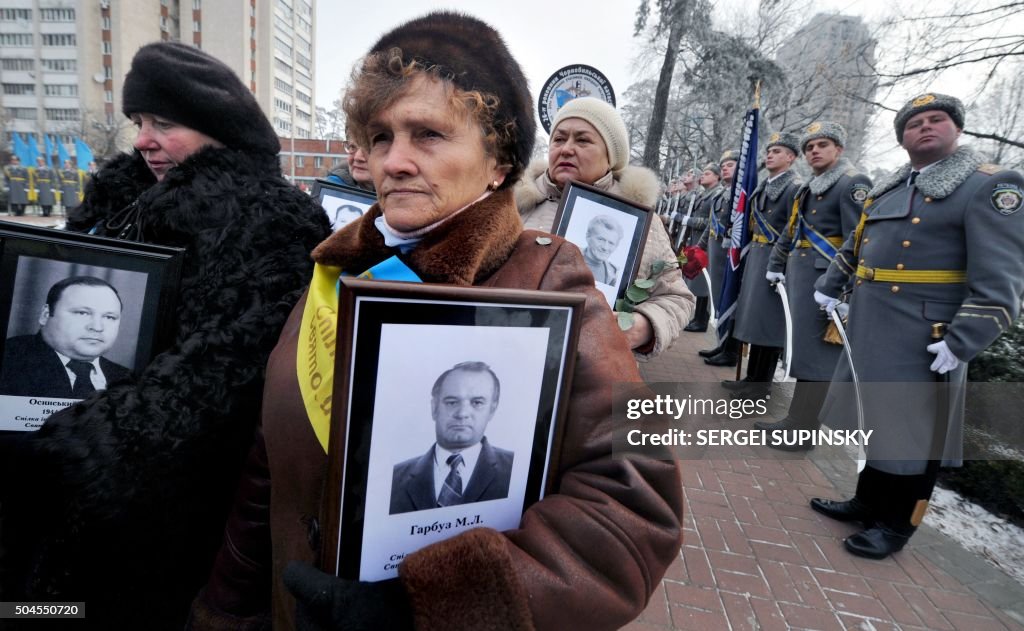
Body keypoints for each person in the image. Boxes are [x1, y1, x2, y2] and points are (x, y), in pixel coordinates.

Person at [191, 12, 683, 631]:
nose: (392, 161)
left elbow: (633, 504)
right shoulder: (336, 270)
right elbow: (272, 463)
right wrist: (226, 608)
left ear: (499, 160)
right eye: (379, 136)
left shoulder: (549, 278)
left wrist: (435, 606)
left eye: (427, 134)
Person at [0, 41, 330, 628]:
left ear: (219, 130)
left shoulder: (276, 219)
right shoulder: (120, 202)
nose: (144, 139)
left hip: (160, 509)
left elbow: (229, 368)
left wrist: (92, 441)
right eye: (138, 123)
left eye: (165, 123)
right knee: (34, 611)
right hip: (56, 481)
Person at [811, 94, 1024, 559]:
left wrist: (963, 340)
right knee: (878, 421)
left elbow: (1002, 282)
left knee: (914, 431)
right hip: (873, 324)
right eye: (914, 123)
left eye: (937, 119)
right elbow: (856, 242)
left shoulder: (989, 186)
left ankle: (896, 524)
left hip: (926, 335)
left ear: (957, 129)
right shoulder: (892, 187)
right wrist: (832, 283)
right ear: (902, 137)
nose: (925, 127)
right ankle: (867, 500)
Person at [516, 96, 694, 359]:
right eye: (559, 138)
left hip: (594, 370)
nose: (566, 149)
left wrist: (640, 328)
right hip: (514, 355)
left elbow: (678, 299)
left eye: (583, 140)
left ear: (611, 156)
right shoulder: (511, 204)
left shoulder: (638, 220)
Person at [758, 122, 871, 449]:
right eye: (810, 147)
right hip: (803, 278)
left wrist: (844, 291)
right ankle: (795, 420)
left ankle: (804, 432)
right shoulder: (812, 185)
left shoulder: (852, 183)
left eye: (823, 144)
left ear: (839, 149)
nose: (815, 151)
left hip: (827, 283)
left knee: (818, 360)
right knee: (804, 356)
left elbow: (859, 240)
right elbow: (794, 232)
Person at [724, 132, 803, 398]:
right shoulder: (764, 185)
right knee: (755, 320)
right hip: (757, 255)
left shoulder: (794, 187)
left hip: (775, 260)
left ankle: (762, 386)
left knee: (769, 324)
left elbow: (793, 229)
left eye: (778, 151)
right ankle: (751, 377)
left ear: (791, 157)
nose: (770, 154)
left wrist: (778, 264)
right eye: (769, 150)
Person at [390, 362, 513, 515]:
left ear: (492, 409)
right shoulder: (394, 478)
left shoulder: (515, 470)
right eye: (452, 402)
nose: (462, 413)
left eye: (477, 403)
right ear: (434, 408)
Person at [0, 276, 131, 398]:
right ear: (45, 315)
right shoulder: (8, 361)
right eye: (82, 313)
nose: (97, 327)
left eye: (109, 317)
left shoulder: (127, 379)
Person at [697, 150, 740, 366]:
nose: (724, 168)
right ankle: (721, 344)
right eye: (723, 165)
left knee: (729, 302)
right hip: (716, 253)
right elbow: (712, 224)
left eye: (730, 165)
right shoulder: (722, 193)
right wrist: (700, 246)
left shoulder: (742, 193)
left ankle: (730, 351)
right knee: (720, 301)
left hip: (729, 257)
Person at [682, 163, 722, 333]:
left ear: (716, 177)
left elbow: (709, 222)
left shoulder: (716, 195)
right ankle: (696, 317)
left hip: (706, 243)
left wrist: (688, 221)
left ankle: (701, 320)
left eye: (707, 173)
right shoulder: (706, 194)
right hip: (697, 240)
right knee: (697, 281)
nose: (702, 176)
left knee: (703, 284)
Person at [582, 214, 623, 285]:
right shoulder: (569, 258)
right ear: (588, 237)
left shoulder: (614, 274)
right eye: (601, 239)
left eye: (611, 243)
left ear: (616, 246)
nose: (605, 247)